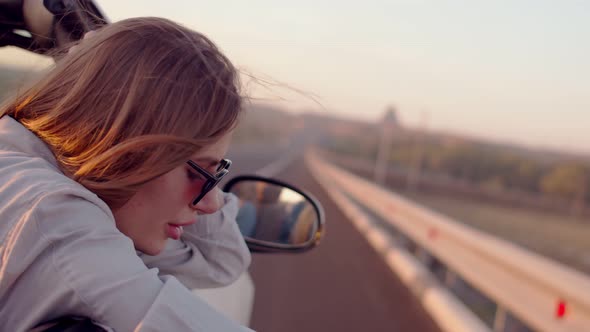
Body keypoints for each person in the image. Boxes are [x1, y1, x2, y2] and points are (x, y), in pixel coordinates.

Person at [0, 17, 254, 331]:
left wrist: (99, 73)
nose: (212, 204)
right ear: (129, 147)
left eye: (216, 177)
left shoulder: (26, 175)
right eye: (198, 174)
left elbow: (221, 261)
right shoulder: (54, 217)